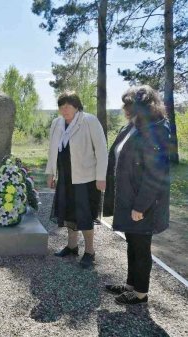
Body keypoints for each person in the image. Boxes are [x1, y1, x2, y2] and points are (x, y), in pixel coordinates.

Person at [103, 85, 170, 305]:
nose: (125, 108)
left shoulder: (156, 130)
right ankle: (131, 284)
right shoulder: (132, 127)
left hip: (143, 203)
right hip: (128, 199)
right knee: (132, 243)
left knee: (141, 247)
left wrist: (140, 206)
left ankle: (141, 293)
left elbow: (155, 174)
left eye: (130, 104)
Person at [45, 91, 108, 268]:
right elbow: (52, 151)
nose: (64, 109)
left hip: (86, 178)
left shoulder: (89, 121)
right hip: (65, 176)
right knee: (68, 212)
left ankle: (90, 252)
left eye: (68, 105)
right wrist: (50, 173)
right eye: (61, 106)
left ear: (76, 106)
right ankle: (72, 246)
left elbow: (102, 150)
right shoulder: (57, 123)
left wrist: (101, 177)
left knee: (85, 215)